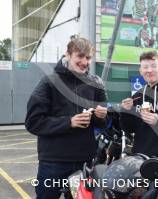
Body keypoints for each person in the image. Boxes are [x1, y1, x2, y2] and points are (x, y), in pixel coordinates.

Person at [25, 37, 108, 199]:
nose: (84, 61)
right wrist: (69, 122)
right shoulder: (49, 82)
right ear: (68, 55)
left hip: (84, 161)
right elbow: (33, 122)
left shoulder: (96, 83)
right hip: (54, 163)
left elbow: (102, 123)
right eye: (80, 56)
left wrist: (101, 116)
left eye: (88, 57)